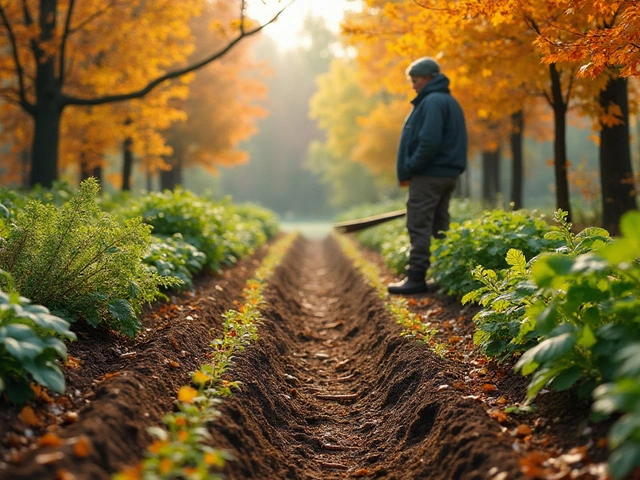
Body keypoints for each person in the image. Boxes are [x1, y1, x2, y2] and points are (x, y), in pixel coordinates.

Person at [387, 56, 468, 295]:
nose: (413, 85)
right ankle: (444, 276)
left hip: (429, 174)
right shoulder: (448, 101)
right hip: (447, 174)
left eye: (416, 80)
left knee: (419, 224)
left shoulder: (432, 101)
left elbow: (429, 141)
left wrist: (411, 167)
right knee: (439, 225)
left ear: (430, 78)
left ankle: (416, 278)